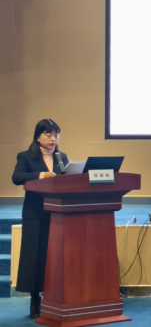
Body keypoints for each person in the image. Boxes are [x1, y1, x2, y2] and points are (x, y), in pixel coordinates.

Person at [11, 119, 68, 319]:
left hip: (58, 212)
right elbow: (17, 177)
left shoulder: (62, 157)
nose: (53, 139)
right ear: (38, 136)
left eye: (56, 135)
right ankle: (35, 299)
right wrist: (41, 175)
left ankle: (54, 296)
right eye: (48, 134)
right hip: (34, 213)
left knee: (53, 255)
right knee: (33, 256)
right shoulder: (26, 156)